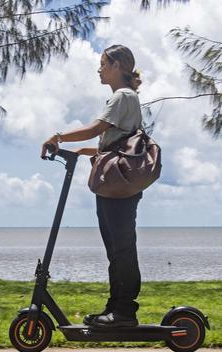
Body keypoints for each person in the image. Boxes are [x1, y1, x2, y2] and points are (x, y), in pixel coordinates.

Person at [40, 44, 143, 328]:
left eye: (103, 63)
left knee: (121, 248)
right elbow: (114, 141)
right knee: (117, 249)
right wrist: (85, 151)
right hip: (116, 183)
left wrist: (58, 137)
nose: (99, 69)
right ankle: (116, 308)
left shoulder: (122, 96)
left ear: (119, 65)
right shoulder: (126, 97)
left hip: (117, 185)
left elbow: (97, 129)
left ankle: (124, 311)